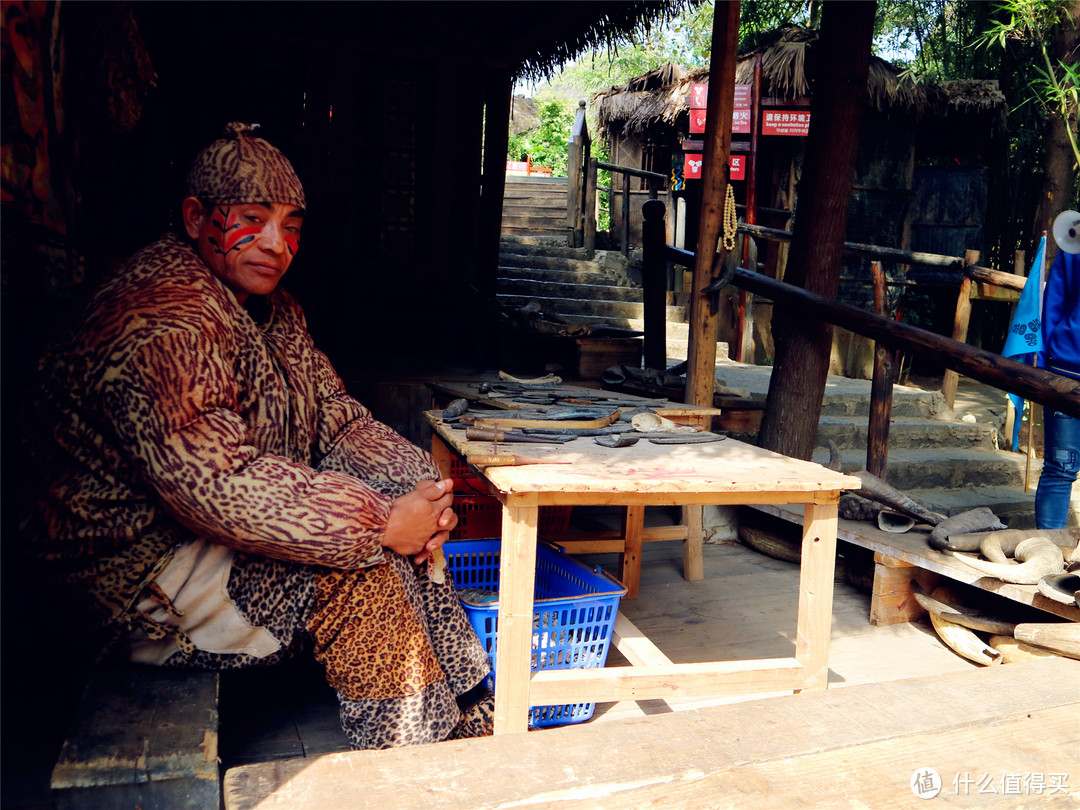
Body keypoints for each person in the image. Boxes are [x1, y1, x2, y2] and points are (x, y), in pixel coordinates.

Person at [28, 122, 493, 749]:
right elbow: (219, 483)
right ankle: (409, 762)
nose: (276, 244)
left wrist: (420, 494)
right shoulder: (158, 318)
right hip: (131, 575)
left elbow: (338, 420)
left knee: (408, 550)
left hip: (203, 538)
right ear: (197, 218)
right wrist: (379, 521)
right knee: (361, 579)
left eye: (291, 224)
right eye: (252, 219)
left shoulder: (273, 312)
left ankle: (467, 711)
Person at [1034, 246, 1080, 529]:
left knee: (1060, 468)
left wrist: (1046, 359)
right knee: (1060, 467)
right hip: (1067, 369)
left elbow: (1054, 302)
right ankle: (1048, 551)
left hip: (1065, 364)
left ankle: (1047, 553)